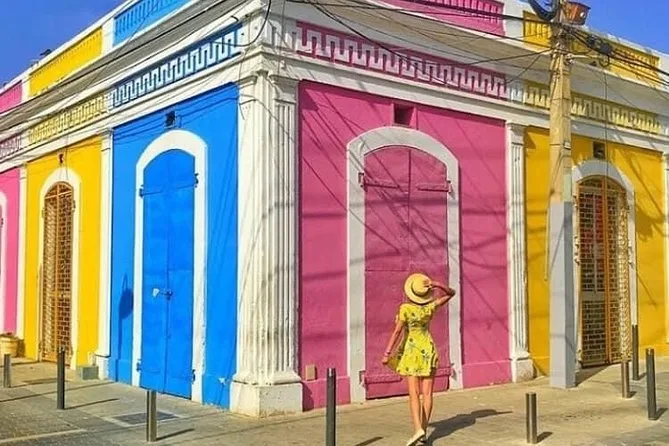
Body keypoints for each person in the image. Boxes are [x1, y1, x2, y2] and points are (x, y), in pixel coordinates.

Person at [381, 273, 456, 446]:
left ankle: (417, 429)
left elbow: (397, 332)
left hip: (412, 352)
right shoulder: (430, 307)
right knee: (428, 393)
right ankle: (424, 431)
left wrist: (387, 353)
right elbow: (451, 293)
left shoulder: (405, 309)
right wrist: (437, 284)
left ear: (410, 292)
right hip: (428, 350)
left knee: (414, 393)